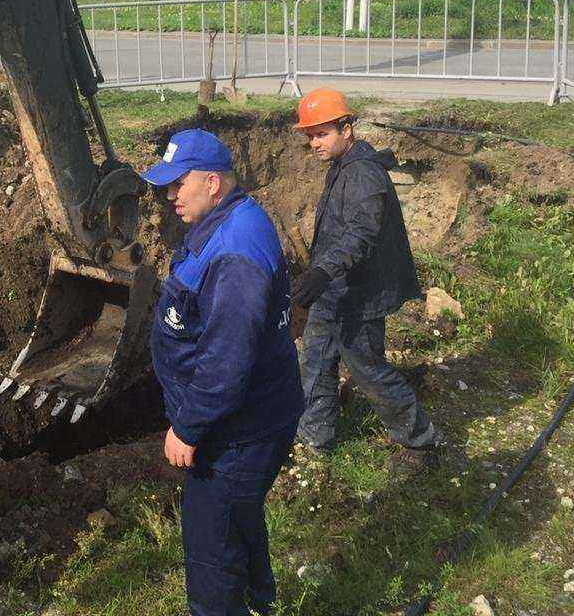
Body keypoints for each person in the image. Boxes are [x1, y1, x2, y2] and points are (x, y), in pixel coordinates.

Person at [145, 128, 303, 616]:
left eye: (179, 183)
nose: (170, 195)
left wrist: (188, 428)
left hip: (236, 432)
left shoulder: (235, 253)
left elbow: (227, 359)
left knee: (213, 553)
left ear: (212, 182)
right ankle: (260, 602)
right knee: (240, 519)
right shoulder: (226, 224)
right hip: (246, 421)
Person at [290, 88, 438, 472]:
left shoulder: (364, 175)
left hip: (359, 294)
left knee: (367, 368)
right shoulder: (343, 166)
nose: (315, 143)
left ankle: (420, 442)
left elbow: (361, 233)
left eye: (322, 134)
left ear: (347, 128)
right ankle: (314, 436)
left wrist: (323, 271)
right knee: (317, 361)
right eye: (310, 136)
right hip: (335, 289)